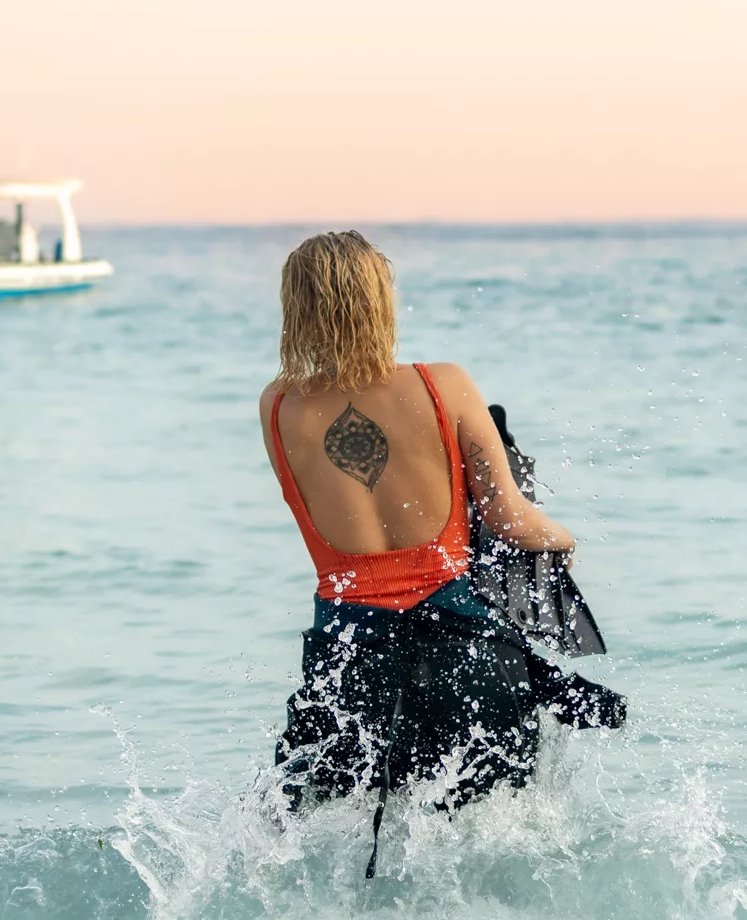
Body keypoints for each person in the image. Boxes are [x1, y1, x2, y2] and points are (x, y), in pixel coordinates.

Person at [261, 230, 625, 873]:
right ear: (380, 301)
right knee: (493, 853)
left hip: (352, 663)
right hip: (467, 657)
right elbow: (511, 522)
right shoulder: (443, 384)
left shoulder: (278, 405)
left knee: (312, 839)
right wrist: (565, 539)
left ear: (298, 308)